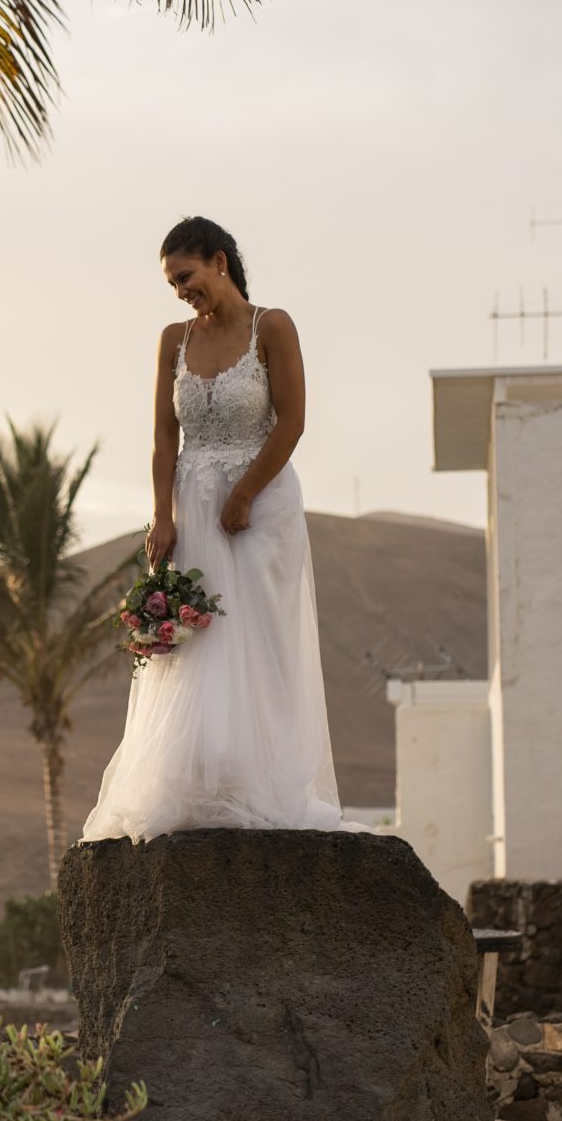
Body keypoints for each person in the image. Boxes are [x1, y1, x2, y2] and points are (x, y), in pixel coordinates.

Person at [79, 217, 351, 842]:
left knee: (254, 636)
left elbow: (293, 422)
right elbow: (163, 437)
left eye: (186, 276)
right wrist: (163, 517)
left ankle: (263, 784)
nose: (180, 291)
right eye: (172, 282)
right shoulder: (172, 340)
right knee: (198, 639)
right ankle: (200, 785)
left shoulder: (272, 327)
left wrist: (246, 492)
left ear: (219, 262)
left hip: (260, 504)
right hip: (194, 505)